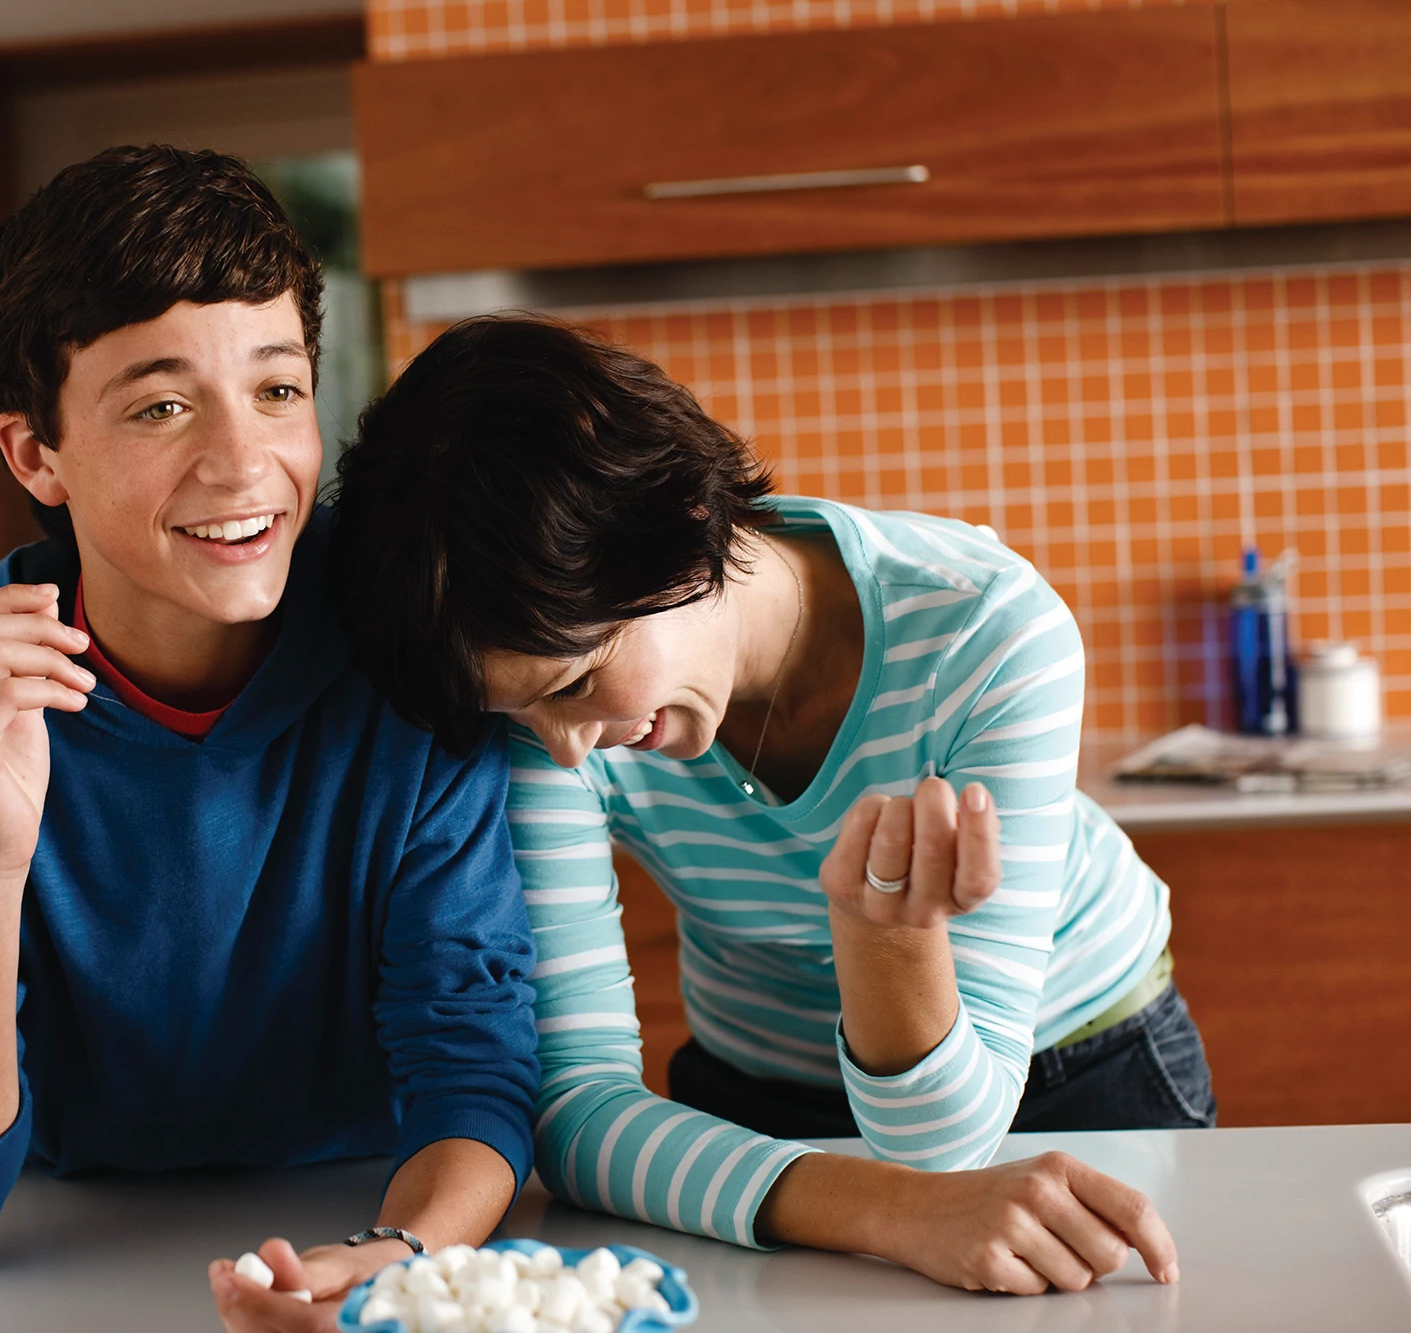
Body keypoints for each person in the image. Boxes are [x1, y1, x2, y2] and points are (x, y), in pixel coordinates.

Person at [330, 315, 1214, 1297]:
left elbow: (944, 1134)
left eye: (577, 682)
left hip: (1073, 1069)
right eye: (520, 708)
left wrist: (879, 939)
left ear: (670, 528)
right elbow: (575, 1107)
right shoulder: (542, 710)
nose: (560, 745)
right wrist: (882, 1206)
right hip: (751, 1117)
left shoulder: (987, 632)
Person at [0, 148, 537, 1328]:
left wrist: (391, 1258)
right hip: (60, 1255)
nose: (243, 461)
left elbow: (472, 1073)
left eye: (276, 389)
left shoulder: (411, 658)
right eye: (161, 406)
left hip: (364, 1209)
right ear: (34, 453)